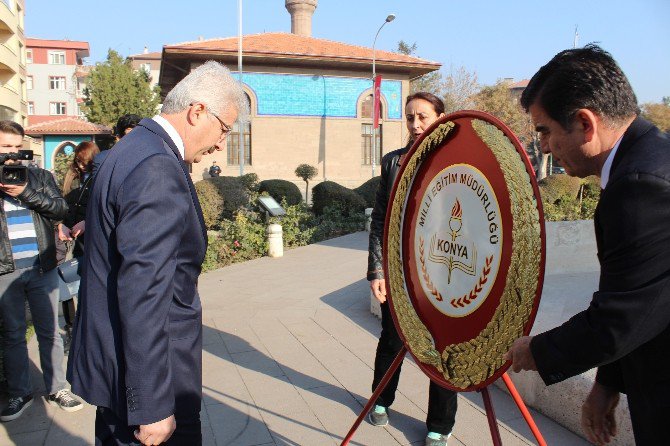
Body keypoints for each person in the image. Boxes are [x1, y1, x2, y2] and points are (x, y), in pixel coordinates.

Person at [67, 61, 248, 446]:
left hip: (118, 365)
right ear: (198, 111)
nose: (220, 143)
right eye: (225, 129)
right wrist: (151, 404)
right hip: (149, 379)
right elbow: (144, 290)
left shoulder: (131, 148)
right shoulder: (157, 166)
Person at [504, 45, 670, 445]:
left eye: (544, 130)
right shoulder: (647, 159)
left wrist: (537, 351)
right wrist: (607, 384)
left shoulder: (640, 185)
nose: (543, 146)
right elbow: (642, 297)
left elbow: (619, 320)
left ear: (584, 123)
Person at [367, 92, 457, 446]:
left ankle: (440, 423)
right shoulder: (393, 163)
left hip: (445, 273)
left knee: (443, 346)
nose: (416, 124)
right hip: (401, 273)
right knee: (391, 340)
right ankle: (380, 400)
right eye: (409, 118)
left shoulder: (458, 161)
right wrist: (378, 271)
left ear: (441, 117)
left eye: (423, 116)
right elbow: (380, 222)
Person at [0, 120, 83, 422]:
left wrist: (23, 191)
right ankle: (19, 393)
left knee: (50, 332)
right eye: (4, 146)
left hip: (41, 266)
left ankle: (57, 388)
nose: (11, 152)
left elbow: (61, 210)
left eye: (15, 146)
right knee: (12, 334)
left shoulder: (39, 176)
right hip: (4, 270)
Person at [56, 141, 100, 341]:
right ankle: (72, 325)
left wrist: (87, 221)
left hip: (89, 238)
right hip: (69, 237)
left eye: (84, 162)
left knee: (85, 283)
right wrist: (61, 224)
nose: (81, 166)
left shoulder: (99, 176)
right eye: (78, 162)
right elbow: (62, 204)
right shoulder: (72, 178)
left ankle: (85, 326)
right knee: (66, 280)